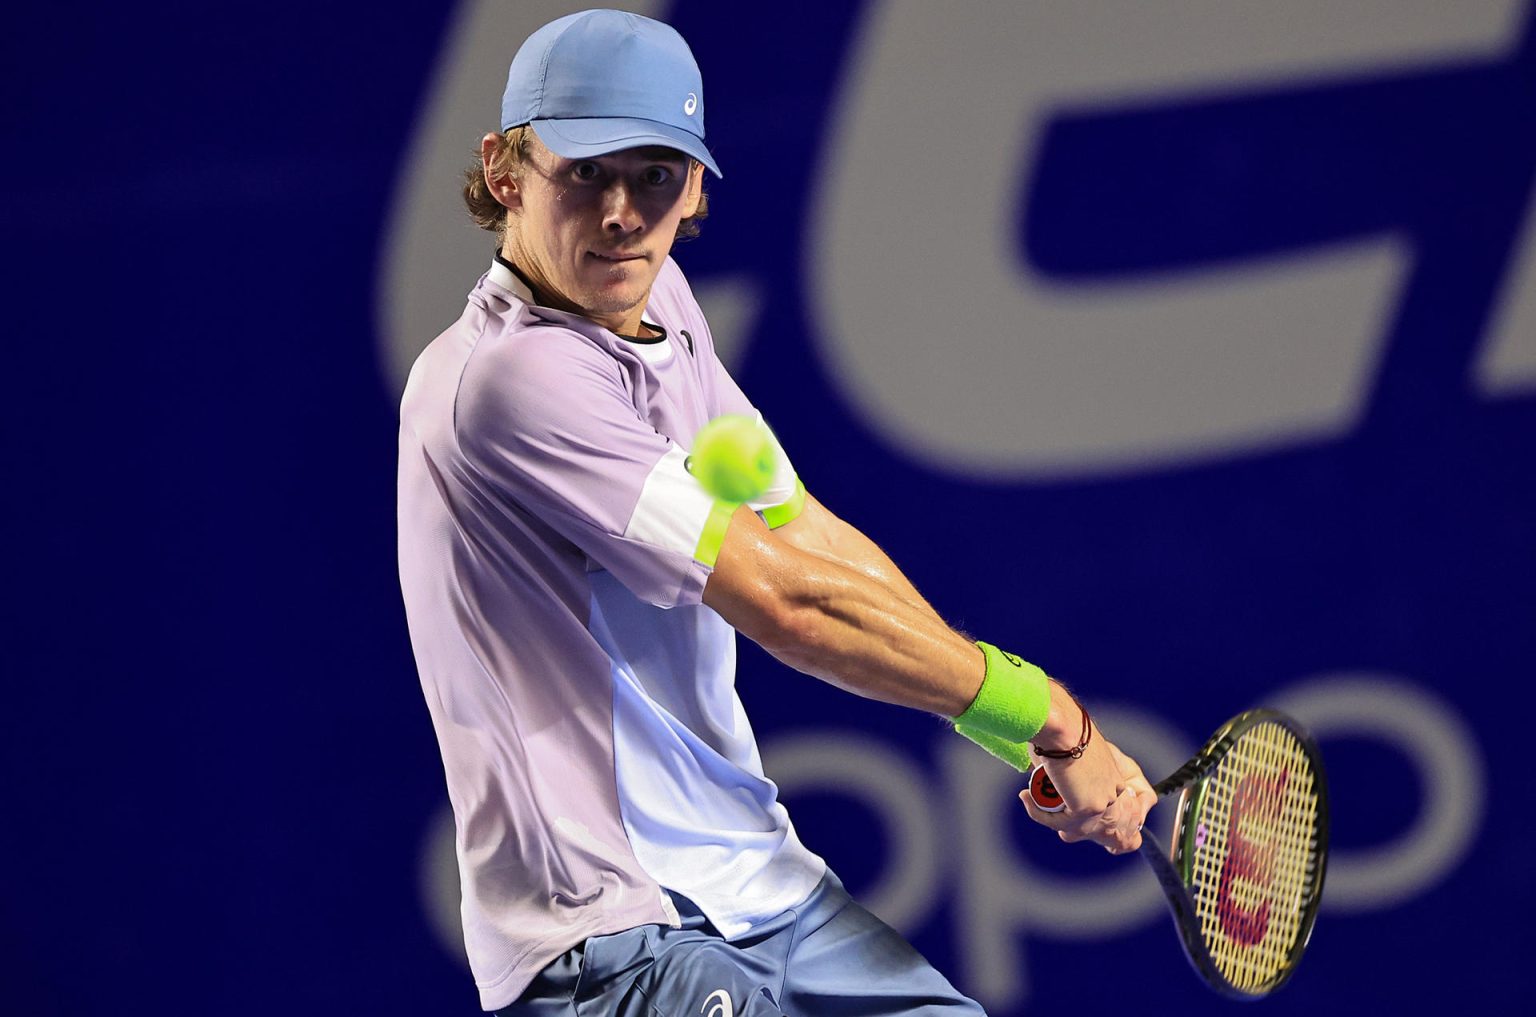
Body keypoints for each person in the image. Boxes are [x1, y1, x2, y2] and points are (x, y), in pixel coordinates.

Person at [396, 10, 1155, 1015]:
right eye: (586, 172)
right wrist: (1051, 712)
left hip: (766, 894)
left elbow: (800, 532)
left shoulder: (663, 302)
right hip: (610, 935)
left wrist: (1021, 739)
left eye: (656, 174)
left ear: (697, 186)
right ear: (506, 171)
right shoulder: (510, 380)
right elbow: (791, 605)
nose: (624, 213)